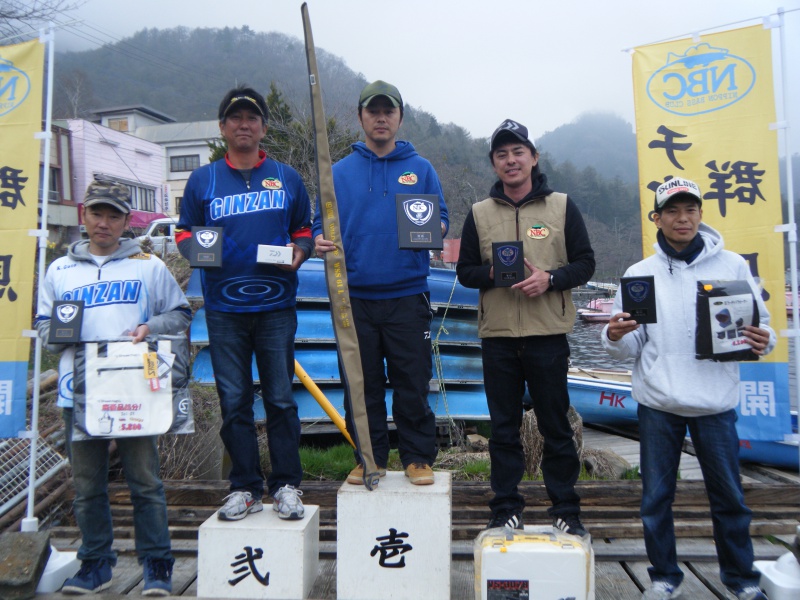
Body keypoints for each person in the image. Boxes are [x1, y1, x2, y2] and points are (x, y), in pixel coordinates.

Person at [602, 178, 774, 600]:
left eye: (690, 210)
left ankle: (741, 580)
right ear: (657, 218)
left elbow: (761, 325)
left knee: (730, 498)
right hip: (659, 403)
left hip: (714, 404)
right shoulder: (639, 274)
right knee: (656, 499)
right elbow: (630, 347)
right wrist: (613, 334)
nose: (683, 219)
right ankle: (664, 577)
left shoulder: (732, 266)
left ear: (700, 214)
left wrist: (762, 338)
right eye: (673, 211)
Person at [35, 180, 191, 596]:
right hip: (80, 392)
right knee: (87, 486)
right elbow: (44, 324)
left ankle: (157, 565)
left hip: (134, 390)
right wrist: (61, 333)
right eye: (97, 214)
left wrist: (149, 327)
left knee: (145, 482)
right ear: (84, 213)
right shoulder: (59, 270)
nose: (104, 223)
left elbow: (179, 314)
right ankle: (96, 565)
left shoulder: (148, 266)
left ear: (126, 221)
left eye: (114, 216)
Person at [176, 86, 313, 521]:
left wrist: (301, 251)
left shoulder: (287, 177)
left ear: (263, 127)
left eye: (251, 118)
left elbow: (304, 230)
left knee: (280, 399)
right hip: (224, 310)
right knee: (233, 400)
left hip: (275, 307)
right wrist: (198, 250)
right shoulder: (203, 180)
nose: (243, 124)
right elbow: (182, 232)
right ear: (222, 128)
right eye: (235, 118)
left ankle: (287, 484)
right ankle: (245, 487)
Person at [456, 119, 595, 535]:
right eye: (502, 154)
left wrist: (550, 278)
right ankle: (505, 508)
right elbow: (464, 271)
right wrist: (494, 272)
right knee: (502, 429)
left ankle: (566, 511)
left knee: (555, 425)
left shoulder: (562, 206)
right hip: (498, 337)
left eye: (518, 152)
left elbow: (586, 263)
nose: (511, 160)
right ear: (494, 164)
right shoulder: (479, 214)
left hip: (547, 334)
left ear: (534, 158)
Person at [313, 80, 449, 486]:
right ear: (361, 117)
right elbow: (321, 222)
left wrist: (435, 229)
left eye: (388, 111)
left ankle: (418, 457)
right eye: (373, 111)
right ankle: (368, 457)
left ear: (399, 117)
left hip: (407, 294)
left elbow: (440, 217)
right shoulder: (337, 172)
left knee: (412, 381)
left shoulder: (420, 168)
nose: (381, 118)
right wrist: (318, 238)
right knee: (361, 384)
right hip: (353, 297)